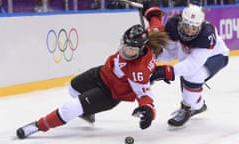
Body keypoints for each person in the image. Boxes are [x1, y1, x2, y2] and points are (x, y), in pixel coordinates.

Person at [16, 24, 169, 139]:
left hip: (109, 93)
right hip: (101, 73)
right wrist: (151, 8)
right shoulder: (141, 43)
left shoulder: (138, 72)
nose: (125, 52)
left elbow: (145, 95)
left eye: (131, 50)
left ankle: (38, 126)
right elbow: (156, 22)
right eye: (125, 46)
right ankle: (89, 112)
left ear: (141, 48)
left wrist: (148, 110)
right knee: (73, 88)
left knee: (70, 108)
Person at [142, 1, 229, 127]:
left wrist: (166, 71)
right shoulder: (173, 25)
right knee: (189, 80)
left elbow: (193, 64)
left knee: (194, 75)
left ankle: (186, 109)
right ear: (181, 21)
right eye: (187, 25)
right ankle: (198, 105)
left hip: (216, 56)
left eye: (194, 28)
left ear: (200, 26)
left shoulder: (206, 35)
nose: (189, 31)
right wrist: (155, 53)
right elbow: (171, 53)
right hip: (190, 56)